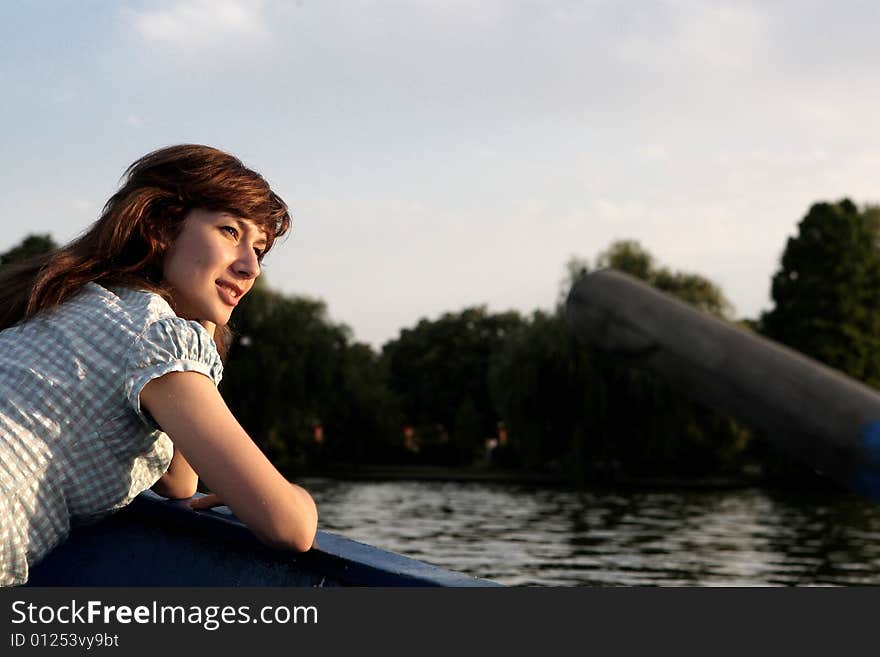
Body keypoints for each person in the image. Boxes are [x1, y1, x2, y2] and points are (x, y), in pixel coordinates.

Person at [0, 144, 318, 586]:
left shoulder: (65, 300)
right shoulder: (154, 336)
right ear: (161, 226)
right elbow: (290, 527)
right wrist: (301, 498)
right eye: (230, 231)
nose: (250, 268)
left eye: (259, 250)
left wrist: (202, 326)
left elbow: (177, 481)